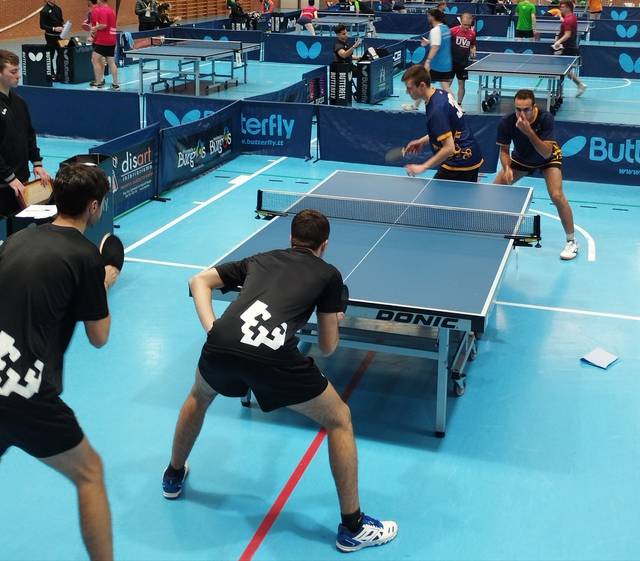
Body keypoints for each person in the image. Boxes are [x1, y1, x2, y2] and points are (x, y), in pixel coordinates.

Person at [161, 209, 398, 553]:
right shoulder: (329, 275)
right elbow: (329, 348)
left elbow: (198, 281)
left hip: (222, 343)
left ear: (291, 239)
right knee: (339, 419)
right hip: (274, 358)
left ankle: (173, 476)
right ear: (324, 245)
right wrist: (335, 316)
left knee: (199, 395)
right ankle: (353, 527)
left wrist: (212, 327)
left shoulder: (261, 258)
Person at [0, 162, 119, 561]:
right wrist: (105, 279)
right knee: (90, 474)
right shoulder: (86, 256)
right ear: (94, 208)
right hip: (22, 388)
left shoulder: (16, 240)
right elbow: (99, 338)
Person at [495, 89, 579, 260]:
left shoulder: (545, 118)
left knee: (556, 195)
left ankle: (572, 241)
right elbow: (504, 151)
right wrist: (507, 168)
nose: (521, 113)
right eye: (518, 109)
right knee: (495, 190)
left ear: (534, 107)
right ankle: (494, 231)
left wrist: (529, 132)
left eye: (526, 109)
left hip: (547, 158)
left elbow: (546, 152)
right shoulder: (507, 122)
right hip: (521, 159)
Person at [402, 64, 484, 181]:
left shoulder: (436, 109)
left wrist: (423, 167)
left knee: (436, 198)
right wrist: (422, 141)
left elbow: (449, 147)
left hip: (460, 162)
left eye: (409, 88)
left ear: (422, 85)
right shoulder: (439, 94)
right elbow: (447, 128)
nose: (407, 92)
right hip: (464, 157)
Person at [0, 50, 52, 217]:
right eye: (13, 72)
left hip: (21, 180)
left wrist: (37, 163)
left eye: (18, 70)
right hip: (4, 183)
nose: (18, 76)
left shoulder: (20, 102)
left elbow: (29, 134)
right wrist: (9, 177)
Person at [403, 9, 453, 111]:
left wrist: (428, 61)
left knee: (422, 83)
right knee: (446, 87)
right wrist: (429, 42)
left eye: (428, 16)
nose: (427, 18)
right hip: (446, 63)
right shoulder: (445, 28)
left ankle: (415, 106)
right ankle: (456, 106)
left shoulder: (435, 30)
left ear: (432, 17)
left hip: (436, 64)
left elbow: (436, 47)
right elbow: (440, 42)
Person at [552, 0, 587, 97]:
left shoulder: (568, 20)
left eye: (562, 7)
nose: (560, 8)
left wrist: (558, 42)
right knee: (564, 70)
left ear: (568, 7)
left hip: (566, 47)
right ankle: (580, 84)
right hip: (568, 46)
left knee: (561, 70)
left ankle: (560, 92)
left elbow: (567, 34)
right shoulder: (571, 17)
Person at [90, 0, 119, 90]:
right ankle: (115, 84)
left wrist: (94, 28)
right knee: (111, 62)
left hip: (103, 40)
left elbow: (103, 25)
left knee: (94, 59)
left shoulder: (102, 10)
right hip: (112, 40)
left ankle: (99, 82)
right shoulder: (112, 11)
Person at [449, 12, 477, 105]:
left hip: (463, 63)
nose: (466, 27)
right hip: (451, 62)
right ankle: (446, 103)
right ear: (460, 21)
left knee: (461, 84)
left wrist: (473, 50)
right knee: (447, 84)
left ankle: (459, 104)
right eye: (464, 25)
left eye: (468, 25)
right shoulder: (453, 31)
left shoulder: (472, 33)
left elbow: (472, 45)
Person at [39, 0, 64, 81]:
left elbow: (61, 20)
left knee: (61, 54)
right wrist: (54, 28)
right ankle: (51, 74)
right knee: (50, 56)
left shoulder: (58, 8)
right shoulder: (44, 11)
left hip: (60, 36)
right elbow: (42, 26)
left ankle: (59, 74)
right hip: (50, 37)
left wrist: (64, 26)